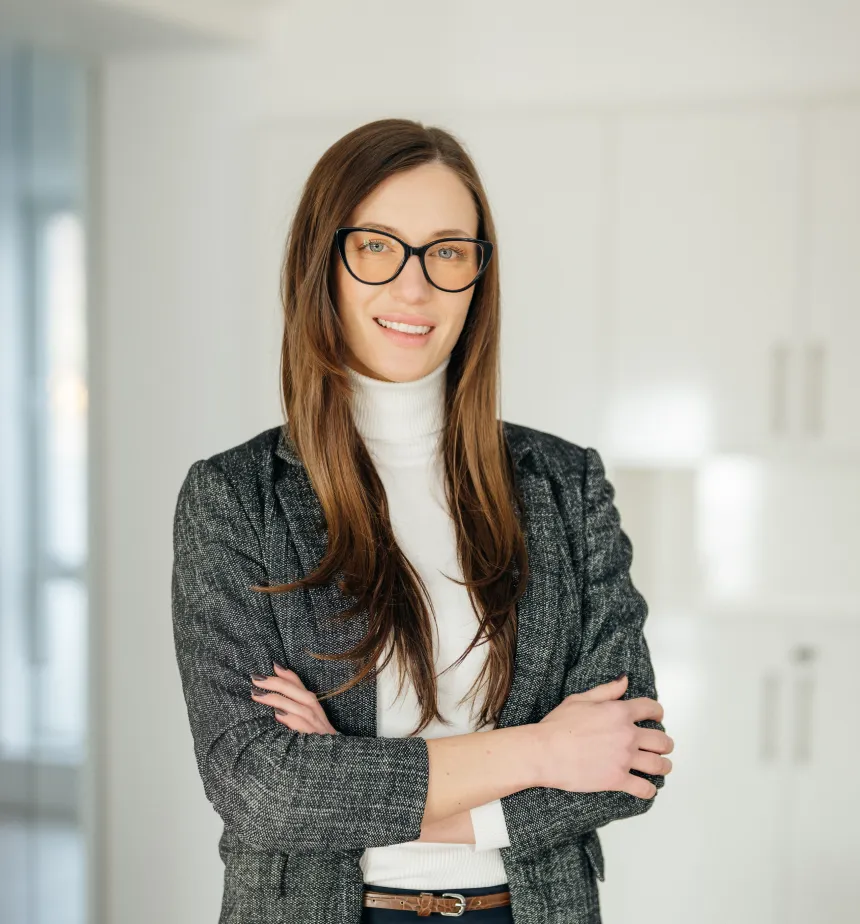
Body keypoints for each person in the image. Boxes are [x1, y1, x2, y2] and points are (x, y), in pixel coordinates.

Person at [170, 117, 673, 924]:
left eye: (447, 251)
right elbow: (260, 787)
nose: (415, 286)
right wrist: (542, 751)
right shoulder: (236, 498)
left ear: (478, 276)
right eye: (378, 246)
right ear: (322, 263)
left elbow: (630, 756)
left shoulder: (563, 484)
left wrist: (346, 774)